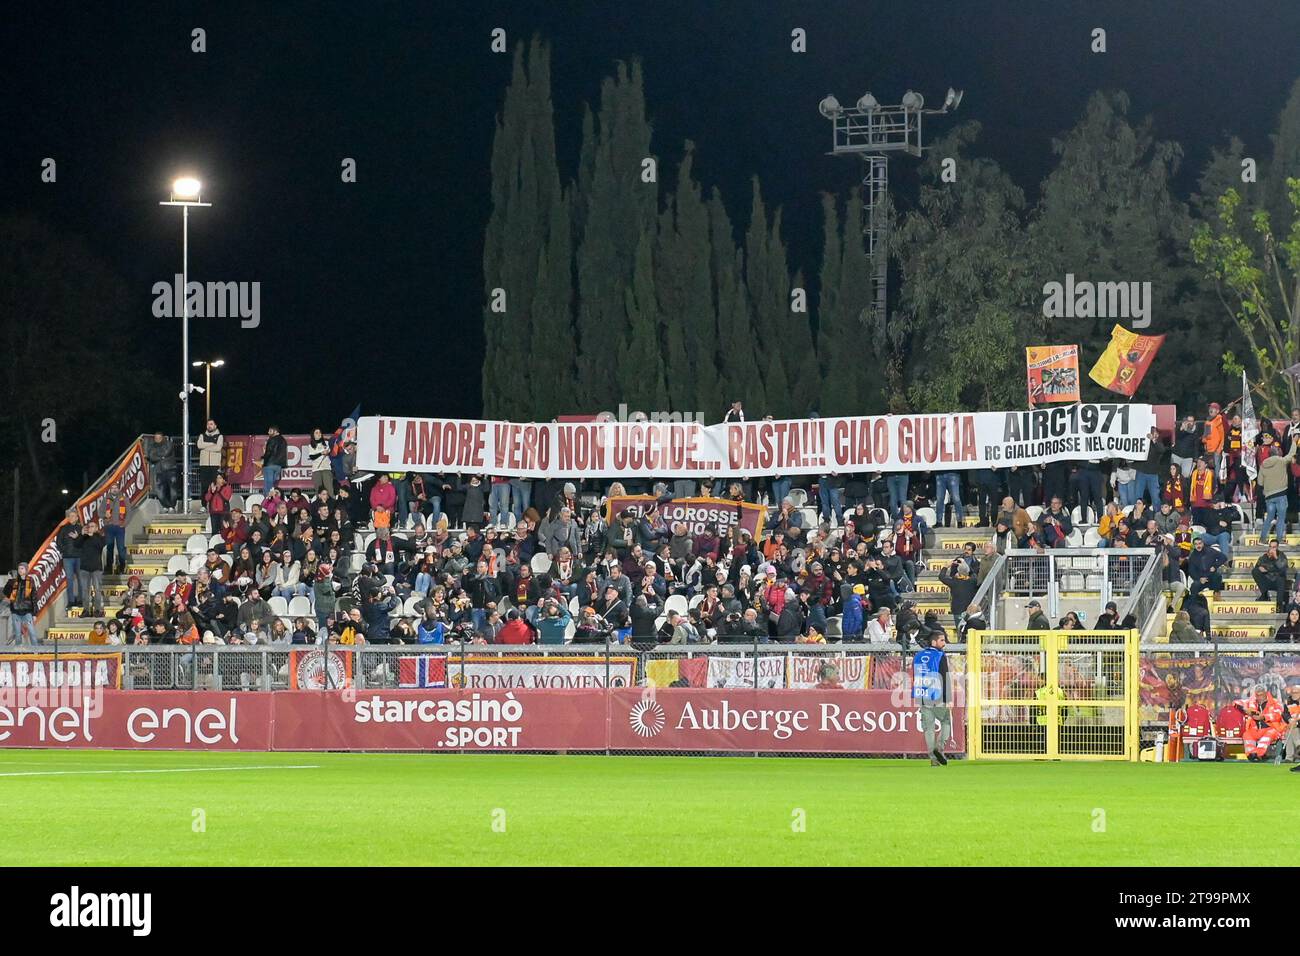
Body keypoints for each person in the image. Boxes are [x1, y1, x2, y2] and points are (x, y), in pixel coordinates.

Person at [912, 629, 952, 766]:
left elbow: (916, 675)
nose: (944, 643)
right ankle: (939, 749)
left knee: (928, 728)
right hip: (938, 695)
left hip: (922, 696)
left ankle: (934, 760)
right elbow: (945, 677)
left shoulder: (918, 655)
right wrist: (949, 699)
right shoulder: (940, 656)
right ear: (934, 641)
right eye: (942, 640)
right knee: (946, 721)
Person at [1258, 436, 1296, 544]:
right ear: (1277, 453)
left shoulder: (1263, 465)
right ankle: (1279, 539)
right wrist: (1294, 442)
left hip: (1269, 496)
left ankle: (1262, 539)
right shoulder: (1281, 461)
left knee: (1269, 518)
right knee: (1281, 518)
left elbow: (1260, 482)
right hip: (1280, 495)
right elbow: (1291, 454)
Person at [1234, 685, 1287, 761]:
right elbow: (1236, 703)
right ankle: (1252, 755)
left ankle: (1259, 754)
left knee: (1267, 736)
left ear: (1266, 693)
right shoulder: (1251, 702)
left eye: (1261, 695)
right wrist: (1245, 709)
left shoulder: (1275, 702)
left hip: (1271, 729)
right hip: (1255, 730)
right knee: (1247, 735)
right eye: (1257, 695)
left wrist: (1263, 717)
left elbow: (1278, 715)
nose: (1259, 697)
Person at [3, 563, 37, 645]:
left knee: (32, 633)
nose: (20, 570)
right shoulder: (14, 581)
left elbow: (34, 597)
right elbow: (6, 592)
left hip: (27, 611)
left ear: (26, 570)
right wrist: (10, 581)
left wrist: (34, 613)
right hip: (16, 611)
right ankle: (18, 652)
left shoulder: (30, 580)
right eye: (19, 569)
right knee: (18, 634)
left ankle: (36, 651)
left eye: (22, 568)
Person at [56, 510, 83, 608]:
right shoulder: (63, 528)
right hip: (67, 558)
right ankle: (71, 601)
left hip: (80, 557)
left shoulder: (81, 528)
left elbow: (85, 542)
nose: (71, 518)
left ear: (77, 518)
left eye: (73, 516)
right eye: (70, 516)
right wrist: (64, 550)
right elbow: (58, 542)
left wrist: (78, 537)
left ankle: (80, 600)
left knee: (81, 580)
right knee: (69, 579)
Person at [1253, 541, 1289, 611]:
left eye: (1274, 547)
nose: (1272, 549)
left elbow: (1283, 569)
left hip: (1278, 582)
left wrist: (1275, 557)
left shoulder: (1282, 556)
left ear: (1277, 547)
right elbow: (1257, 567)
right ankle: (1264, 594)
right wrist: (1260, 568)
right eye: (1270, 547)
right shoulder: (1264, 557)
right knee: (1255, 571)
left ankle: (1279, 606)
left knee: (1281, 578)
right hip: (1267, 580)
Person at [196, 420, 225, 494]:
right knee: (204, 486)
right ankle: (204, 504)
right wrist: (212, 444)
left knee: (215, 485)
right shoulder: (202, 435)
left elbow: (218, 448)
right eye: (208, 424)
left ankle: (214, 503)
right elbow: (199, 445)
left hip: (215, 465)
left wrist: (205, 446)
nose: (209, 426)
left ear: (215, 426)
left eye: (211, 424)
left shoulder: (219, 436)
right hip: (204, 464)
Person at [260, 426, 288, 496]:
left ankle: (267, 501)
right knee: (273, 485)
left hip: (269, 464)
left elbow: (269, 452)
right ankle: (273, 501)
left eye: (270, 431)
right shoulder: (283, 440)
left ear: (275, 431)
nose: (268, 432)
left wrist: (263, 458)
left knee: (268, 486)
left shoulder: (272, 439)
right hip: (278, 466)